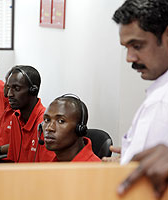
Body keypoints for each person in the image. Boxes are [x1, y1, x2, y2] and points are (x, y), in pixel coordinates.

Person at [108, 0, 168, 165]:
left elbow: (142, 186)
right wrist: (129, 154)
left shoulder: (161, 101)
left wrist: (126, 167)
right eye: (126, 47)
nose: (129, 58)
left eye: (137, 46)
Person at [6, 65, 55, 162]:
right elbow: (12, 159)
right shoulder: (15, 117)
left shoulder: (45, 124)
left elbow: (48, 171)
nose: (9, 94)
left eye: (16, 88)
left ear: (33, 90)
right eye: (9, 88)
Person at [42, 94, 100, 162]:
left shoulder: (93, 170)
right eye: (46, 120)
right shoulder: (54, 164)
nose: (49, 128)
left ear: (80, 129)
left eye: (61, 121)